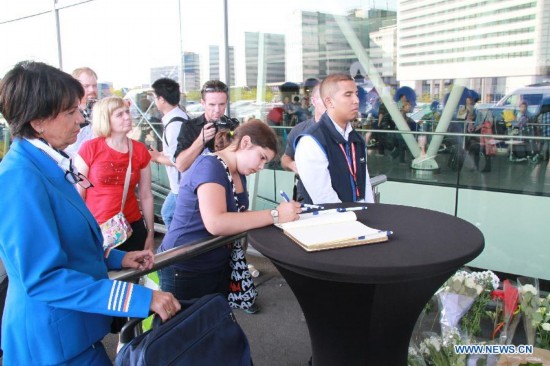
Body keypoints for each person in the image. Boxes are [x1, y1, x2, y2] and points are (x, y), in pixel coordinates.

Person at [0, 61, 180, 365]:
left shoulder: (46, 164)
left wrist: (116, 258)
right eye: (71, 112)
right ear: (38, 121)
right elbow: (44, 278)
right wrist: (140, 298)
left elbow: (68, 244)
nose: (81, 120)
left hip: (70, 332)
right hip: (50, 344)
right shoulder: (18, 178)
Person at [157, 119, 300, 303]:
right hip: (185, 266)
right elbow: (216, 223)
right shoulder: (210, 166)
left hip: (213, 263)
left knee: (213, 325)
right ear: (245, 142)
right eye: (262, 157)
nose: (261, 167)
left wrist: (278, 214)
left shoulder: (237, 171)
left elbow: (238, 216)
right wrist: (275, 215)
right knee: (187, 328)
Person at [75, 96, 155, 252]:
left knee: (133, 275)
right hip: (97, 228)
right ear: (105, 119)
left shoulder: (139, 150)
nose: (127, 117)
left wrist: (150, 233)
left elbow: (146, 194)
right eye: (119, 114)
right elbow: (79, 194)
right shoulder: (90, 148)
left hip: (131, 226)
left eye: (127, 112)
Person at [295, 73, 375, 205]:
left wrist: (371, 213)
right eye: (348, 95)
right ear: (329, 101)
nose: (356, 100)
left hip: (359, 217)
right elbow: (325, 199)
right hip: (331, 221)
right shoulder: (311, 142)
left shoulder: (356, 139)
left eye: (356, 93)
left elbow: (365, 185)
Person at [148, 78, 189, 229]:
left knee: (168, 214)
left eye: (154, 97)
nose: (154, 101)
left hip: (181, 184)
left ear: (162, 99)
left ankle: (180, 246)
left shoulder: (174, 125)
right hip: (182, 183)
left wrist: (157, 157)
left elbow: (177, 160)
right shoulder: (180, 117)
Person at [281, 83, 326, 202]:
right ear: (314, 101)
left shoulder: (344, 132)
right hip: (306, 196)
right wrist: (292, 165)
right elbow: (285, 158)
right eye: (324, 98)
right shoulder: (299, 130)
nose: (328, 103)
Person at [173, 80, 228, 173]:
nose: (217, 109)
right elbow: (181, 166)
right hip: (200, 184)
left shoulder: (232, 126)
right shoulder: (189, 127)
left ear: (226, 103)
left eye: (222, 104)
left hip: (228, 183)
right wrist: (200, 141)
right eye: (212, 104)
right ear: (202, 103)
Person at [65, 67, 99, 156]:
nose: (92, 90)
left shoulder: (102, 110)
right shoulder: (65, 112)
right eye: (86, 86)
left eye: (94, 85)